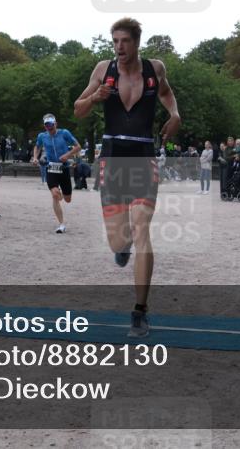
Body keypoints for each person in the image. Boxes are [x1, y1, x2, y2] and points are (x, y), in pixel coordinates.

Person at [74, 17, 180, 338]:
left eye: (125, 41)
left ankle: (140, 311)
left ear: (137, 42)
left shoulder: (155, 68)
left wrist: (175, 115)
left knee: (142, 229)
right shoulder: (102, 70)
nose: (119, 47)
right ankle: (122, 248)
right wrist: (95, 99)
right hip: (112, 157)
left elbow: (167, 94)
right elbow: (78, 109)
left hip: (144, 155)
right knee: (119, 240)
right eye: (115, 41)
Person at [31, 113, 81, 234]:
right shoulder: (42, 136)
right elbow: (37, 147)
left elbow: (78, 146)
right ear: (45, 126)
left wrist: (67, 155)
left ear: (56, 124)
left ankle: (62, 195)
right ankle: (61, 224)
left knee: (67, 199)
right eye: (47, 125)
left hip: (63, 168)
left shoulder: (64, 133)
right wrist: (35, 157)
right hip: (51, 167)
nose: (49, 128)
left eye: (51, 125)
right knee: (54, 194)